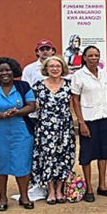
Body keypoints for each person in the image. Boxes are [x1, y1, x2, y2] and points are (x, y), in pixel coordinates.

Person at [0, 57, 37, 211]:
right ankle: (2, 197)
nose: (5, 73)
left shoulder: (23, 86)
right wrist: (1, 115)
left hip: (21, 132)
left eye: (8, 70)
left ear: (14, 71)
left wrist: (17, 112)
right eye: (1, 70)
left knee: (22, 163)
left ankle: (24, 196)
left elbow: (31, 106)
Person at [71, 45, 107, 202]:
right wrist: (81, 122)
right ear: (84, 57)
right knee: (87, 154)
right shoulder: (78, 75)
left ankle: (102, 186)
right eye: (90, 55)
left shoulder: (104, 74)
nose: (94, 58)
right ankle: (89, 188)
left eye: (96, 55)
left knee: (104, 153)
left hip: (103, 117)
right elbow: (75, 99)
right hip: (88, 119)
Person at [31, 56, 76, 204]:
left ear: (62, 68)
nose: (55, 69)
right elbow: (33, 106)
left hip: (64, 127)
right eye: (52, 66)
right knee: (48, 157)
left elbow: (75, 104)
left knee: (64, 157)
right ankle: (50, 190)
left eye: (58, 66)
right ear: (46, 69)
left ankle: (60, 189)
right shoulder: (38, 86)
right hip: (45, 128)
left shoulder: (70, 85)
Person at [21, 38, 57, 201]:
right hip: (35, 117)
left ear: (53, 51)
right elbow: (27, 91)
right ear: (37, 52)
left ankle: (53, 181)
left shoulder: (59, 68)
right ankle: (37, 181)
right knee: (37, 151)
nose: (44, 51)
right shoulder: (30, 69)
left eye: (47, 48)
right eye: (41, 49)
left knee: (54, 151)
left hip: (55, 119)